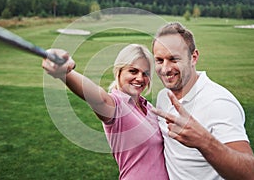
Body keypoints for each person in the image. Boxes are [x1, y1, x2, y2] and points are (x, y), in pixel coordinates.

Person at [42, 44, 169, 180]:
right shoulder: (116, 105)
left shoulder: (148, 107)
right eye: (133, 71)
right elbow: (99, 98)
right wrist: (65, 73)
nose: (140, 78)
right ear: (118, 72)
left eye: (145, 74)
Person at [151, 22, 254, 180]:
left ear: (193, 57)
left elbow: (251, 175)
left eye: (173, 59)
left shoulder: (219, 103)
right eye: (159, 60)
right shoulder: (163, 97)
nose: (165, 69)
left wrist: (203, 141)